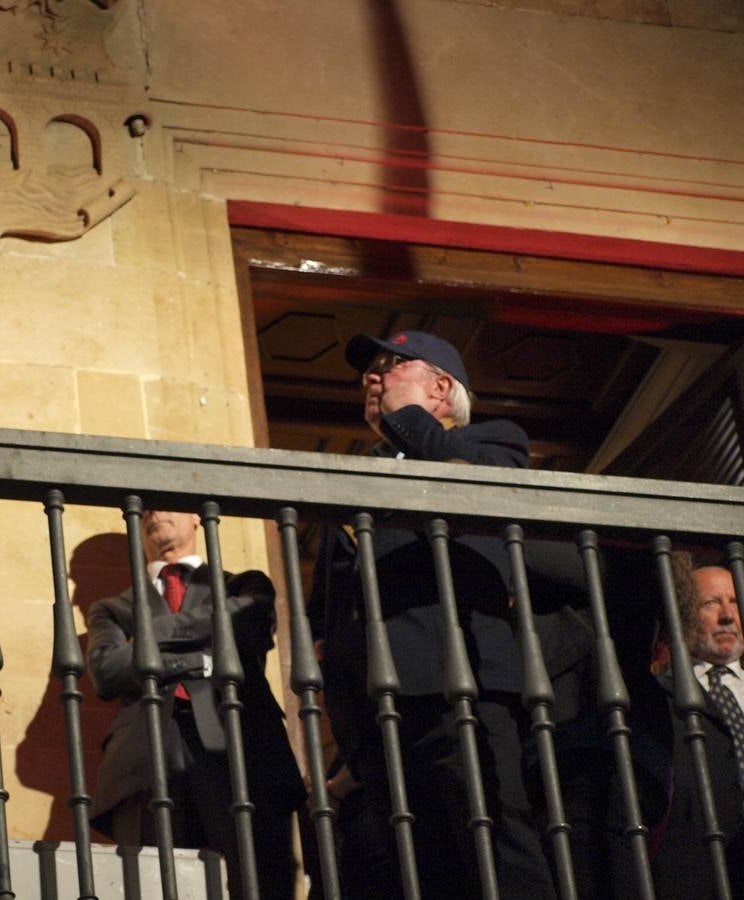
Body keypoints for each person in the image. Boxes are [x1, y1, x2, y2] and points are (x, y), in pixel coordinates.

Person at [308, 330, 556, 899]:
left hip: (462, 683)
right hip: (380, 705)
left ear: (442, 387)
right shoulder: (354, 473)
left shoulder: (495, 439)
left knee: (494, 836)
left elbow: (466, 481)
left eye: (391, 365)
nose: (372, 377)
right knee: (413, 861)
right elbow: (331, 606)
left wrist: (409, 419)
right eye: (369, 370)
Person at [86, 510, 305, 899]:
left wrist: (149, 638)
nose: (155, 514)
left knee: (259, 882)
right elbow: (107, 670)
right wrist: (198, 660)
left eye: (166, 503)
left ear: (195, 518)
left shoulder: (244, 585)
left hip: (241, 748)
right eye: (147, 508)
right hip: (143, 763)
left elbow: (246, 628)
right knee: (152, 886)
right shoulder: (111, 607)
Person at [619, 563, 744, 898]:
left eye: (735, 601)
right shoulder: (659, 696)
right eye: (710, 603)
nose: (727, 616)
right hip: (696, 866)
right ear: (684, 615)